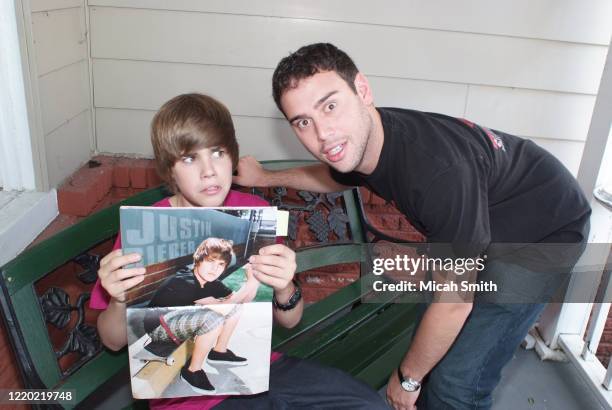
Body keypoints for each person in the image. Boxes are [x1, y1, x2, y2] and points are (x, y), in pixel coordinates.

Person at [233, 43, 591, 410]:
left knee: (457, 383)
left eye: (330, 105)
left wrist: (407, 378)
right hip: (488, 216)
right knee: (434, 335)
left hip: (544, 230)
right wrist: (265, 176)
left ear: (363, 90)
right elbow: (334, 177)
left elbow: (454, 304)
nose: (322, 134)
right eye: (303, 122)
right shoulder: (364, 136)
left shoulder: (437, 172)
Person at [90, 92, 388, 409]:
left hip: (264, 372)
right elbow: (112, 340)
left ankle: (219, 350)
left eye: (217, 153)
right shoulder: (145, 227)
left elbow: (290, 321)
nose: (209, 171)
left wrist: (285, 286)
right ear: (169, 169)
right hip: (187, 399)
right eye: (190, 158)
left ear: (232, 156)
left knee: (368, 404)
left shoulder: (254, 212)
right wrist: (121, 300)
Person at [143, 237, 257, 393]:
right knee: (213, 319)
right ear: (198, 260)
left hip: (179, 318)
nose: (215, 269)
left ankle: (219, 352)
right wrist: (248, 285)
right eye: (210, 261)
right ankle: (192, 372)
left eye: (220, 265)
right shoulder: (185, 280)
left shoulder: (210, 280)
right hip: (157, 326)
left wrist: (254, 280)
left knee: (236, 309)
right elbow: (223, 309)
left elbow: (241, 302)